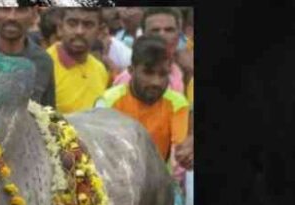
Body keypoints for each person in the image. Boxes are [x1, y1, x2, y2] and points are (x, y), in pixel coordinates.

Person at [97, 35, 189, 163]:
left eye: (163, 74)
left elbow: (180, 151)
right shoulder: (108, 102)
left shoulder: (177, 104)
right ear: (131, 70)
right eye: (148, 73)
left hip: (161, 179)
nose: (156, 82)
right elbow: (100, 150)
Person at [47, 8, 110, 114]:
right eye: (72, 24)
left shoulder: (100, 69)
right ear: (60, 28)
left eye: (88, 25)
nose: (79, 31)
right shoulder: (44, 66)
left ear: (99, 31)